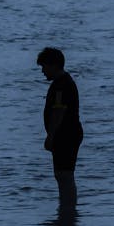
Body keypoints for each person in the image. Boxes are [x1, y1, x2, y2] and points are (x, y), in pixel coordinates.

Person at [36, 47, 84, 206]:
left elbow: (58, 112)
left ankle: (68, 209)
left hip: (66, 135)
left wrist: (51, 137)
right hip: (67, 135)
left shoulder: (61, 85)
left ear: (54, 65)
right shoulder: (63, 82)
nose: (43, 71)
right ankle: (67, 208)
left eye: (44, 66)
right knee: (63, 174)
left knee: (64, 175)